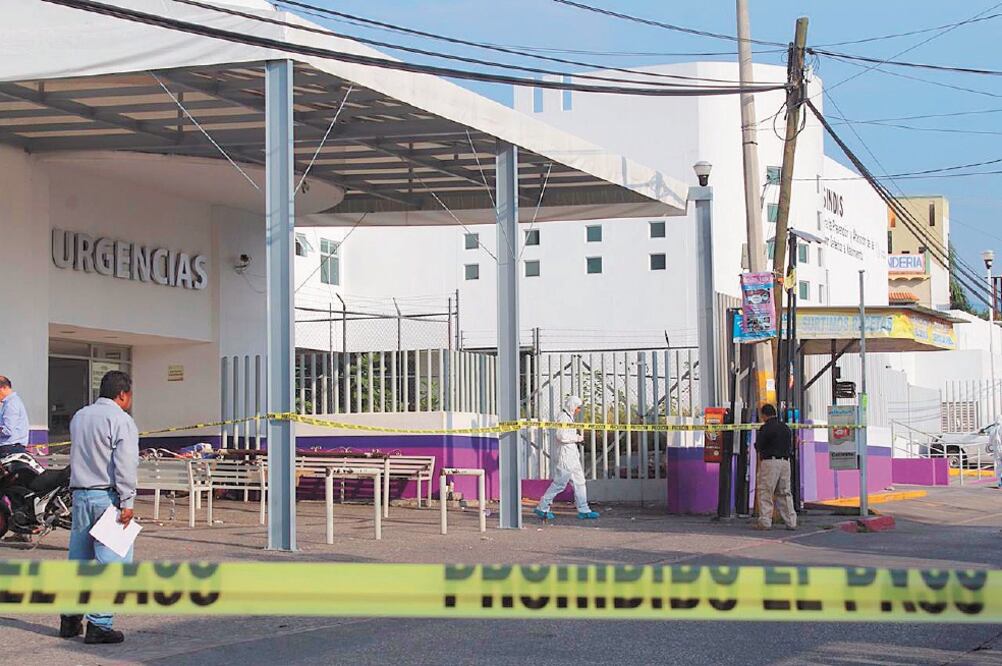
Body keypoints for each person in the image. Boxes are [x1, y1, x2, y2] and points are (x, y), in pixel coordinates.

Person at [59, 370, 139, 645]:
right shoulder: (121, 420)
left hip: (81, 496)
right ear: (122, 394)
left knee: (78, 560)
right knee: (112, 563)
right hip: (108, 499)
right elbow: (126, 464)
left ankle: (70, 619)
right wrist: (128, 501)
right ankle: (99, 624)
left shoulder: (80, 416)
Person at [534, 395, 599, 520]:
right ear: (572, 406)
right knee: (559, 483)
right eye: (577, 408)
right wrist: (577, 438)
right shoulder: (563, 417)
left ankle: (584, 509)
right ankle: (542, 507)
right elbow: (561, 436)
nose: (578, 410)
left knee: (580, 482)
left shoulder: (569, 417)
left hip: (572, 455)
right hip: (566, 456)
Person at [754, 403, 797, 531]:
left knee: (766, 491)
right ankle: (791, 522)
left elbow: (759, 446)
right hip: (785, 462)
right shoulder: (785, 428)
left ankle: (765, 522)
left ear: (764, 415)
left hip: (770, 462)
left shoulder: (766, 428)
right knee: (785, 493)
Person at [0, 375, 30, 455]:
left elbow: (8, 430)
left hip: (9, 448)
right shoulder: (10, 403)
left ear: (3, 388)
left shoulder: (11, 404)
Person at [991, 417, 1002, 489]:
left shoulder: (993, 430)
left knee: (998, 466)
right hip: (1000, 449)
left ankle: (999, 483)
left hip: (996, 450)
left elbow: (989, 442)